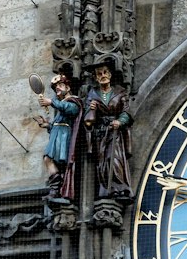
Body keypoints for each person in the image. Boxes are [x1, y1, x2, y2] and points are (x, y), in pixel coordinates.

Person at [84, 56, 133, 200]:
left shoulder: (120, 92)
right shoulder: (92, 94)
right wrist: (90, 109)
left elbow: (127, 112)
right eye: (99, 74)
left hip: (115, 131)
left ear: (110, 75)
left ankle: (120, 187)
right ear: (96, 77)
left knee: (115, 157)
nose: (103, 76)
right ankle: (107, 188)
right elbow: (87, 121)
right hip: (100, 133)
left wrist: (120, 121)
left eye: (105, 72)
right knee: (102, 162)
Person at [37, 63, 82, 204]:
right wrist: (47, 125)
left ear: (67, 88)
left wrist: (51, 102)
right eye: (56, 88)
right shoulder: (60, 105)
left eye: (60, 86)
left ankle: (57, 189)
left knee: (52, 160)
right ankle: (56, 189)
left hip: (64, 136)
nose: (57, 88)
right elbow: (59, 122)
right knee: (48, 159)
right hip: (57, 134)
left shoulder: (73, 101)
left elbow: (71, 110)